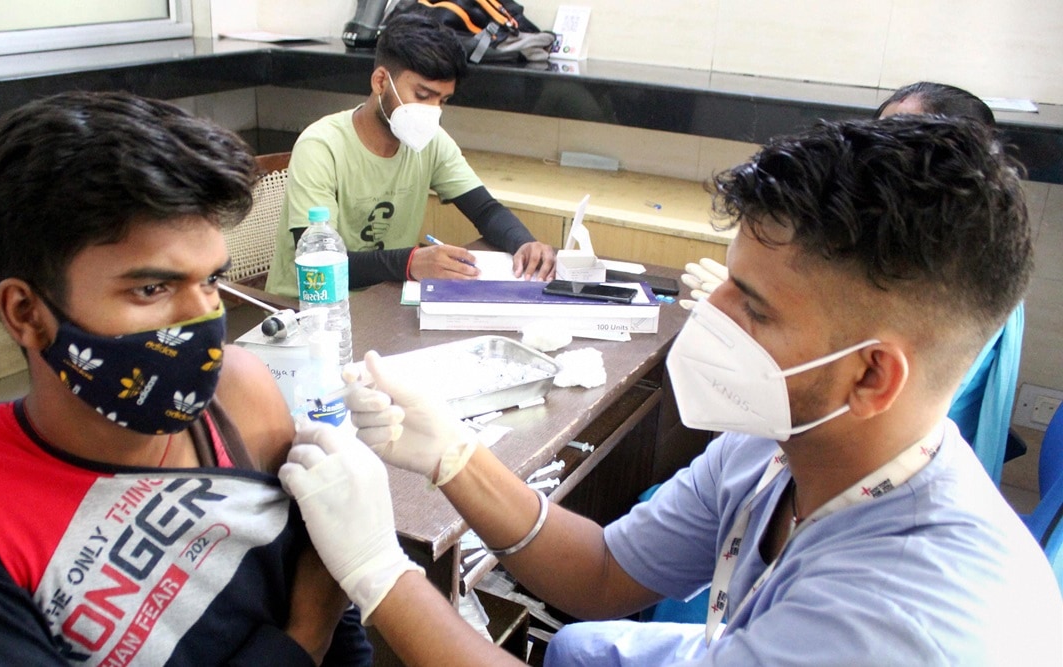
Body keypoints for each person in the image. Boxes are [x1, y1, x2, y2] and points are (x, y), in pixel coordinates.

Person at [280, 116, 1063, 665]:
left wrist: (379, 573)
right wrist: (455, 453)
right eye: (728, 282)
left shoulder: (900, 624)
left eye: (750, 305)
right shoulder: (783, 444)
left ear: (870, 374)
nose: (707, 316)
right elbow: (604, 573)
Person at [0, 91, 370, 666]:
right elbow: (318, 608)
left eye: (211, 281)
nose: (202, 320)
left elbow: (343, 634)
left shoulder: (240, 394)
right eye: (151, 289)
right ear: (25, 312)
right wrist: (305, 633)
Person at [682, 80, 1025, 483]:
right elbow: (617, 548)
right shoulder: (764, 442)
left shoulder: (947, 307)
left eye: (901, 146)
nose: (873, 160)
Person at [264, 10, 555, 298]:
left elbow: (485, 210)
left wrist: (524, 243)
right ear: (380, 82)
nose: (432, 112)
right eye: (422, 95)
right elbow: (322, 263)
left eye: (443, 101)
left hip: (384, 302)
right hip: (310, 311)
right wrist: (411, 262)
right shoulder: (321, 147)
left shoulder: (431, 142)